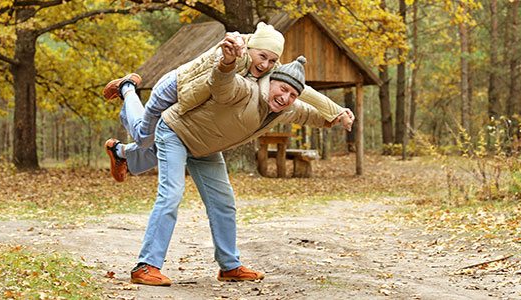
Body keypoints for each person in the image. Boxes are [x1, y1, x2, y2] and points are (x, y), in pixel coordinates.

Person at [103, 32, 348, 285]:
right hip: (176, 130)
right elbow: (222, 83)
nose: (286, 97)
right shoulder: (246, 89)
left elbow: (308, 114)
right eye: (283, 89)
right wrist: (227, 63)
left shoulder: (282, 109)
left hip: (206, 146)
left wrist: (335, 118)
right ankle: (146, 266)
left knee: (223, 202)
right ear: (270, 80)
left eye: (293, 95)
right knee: (170, 192)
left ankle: (230, 266)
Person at [103, 22, 354, 182]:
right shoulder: (237, 50)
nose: (265, 64)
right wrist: (232, 50)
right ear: (251, 47)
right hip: (174, 88)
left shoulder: (269, 71)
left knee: (157, 148)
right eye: (262, 56)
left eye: (272, 60)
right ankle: (127, 88)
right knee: (145, 138)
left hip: (191, 106)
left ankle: (120, 152)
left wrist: (337, 111)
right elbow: (222, 70)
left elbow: (304, 91)